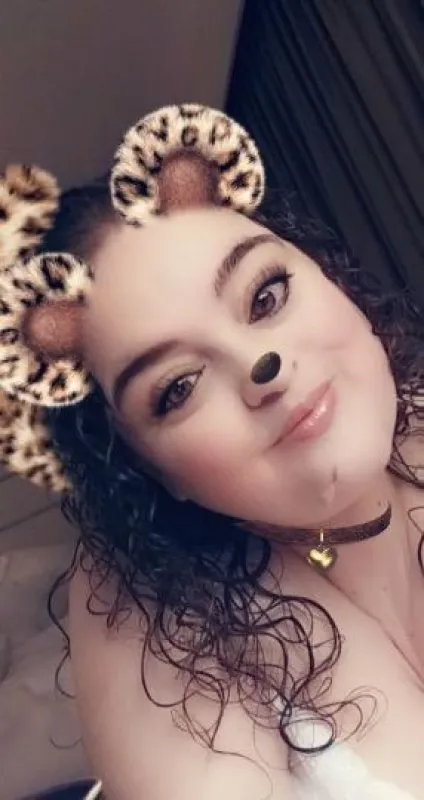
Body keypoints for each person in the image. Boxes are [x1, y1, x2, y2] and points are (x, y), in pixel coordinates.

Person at [0, 104, 423, 800]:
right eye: (179, 388)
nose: (264, 367)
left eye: (266, 296)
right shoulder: (149, 608)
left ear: (331, 279)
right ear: (147, 469)